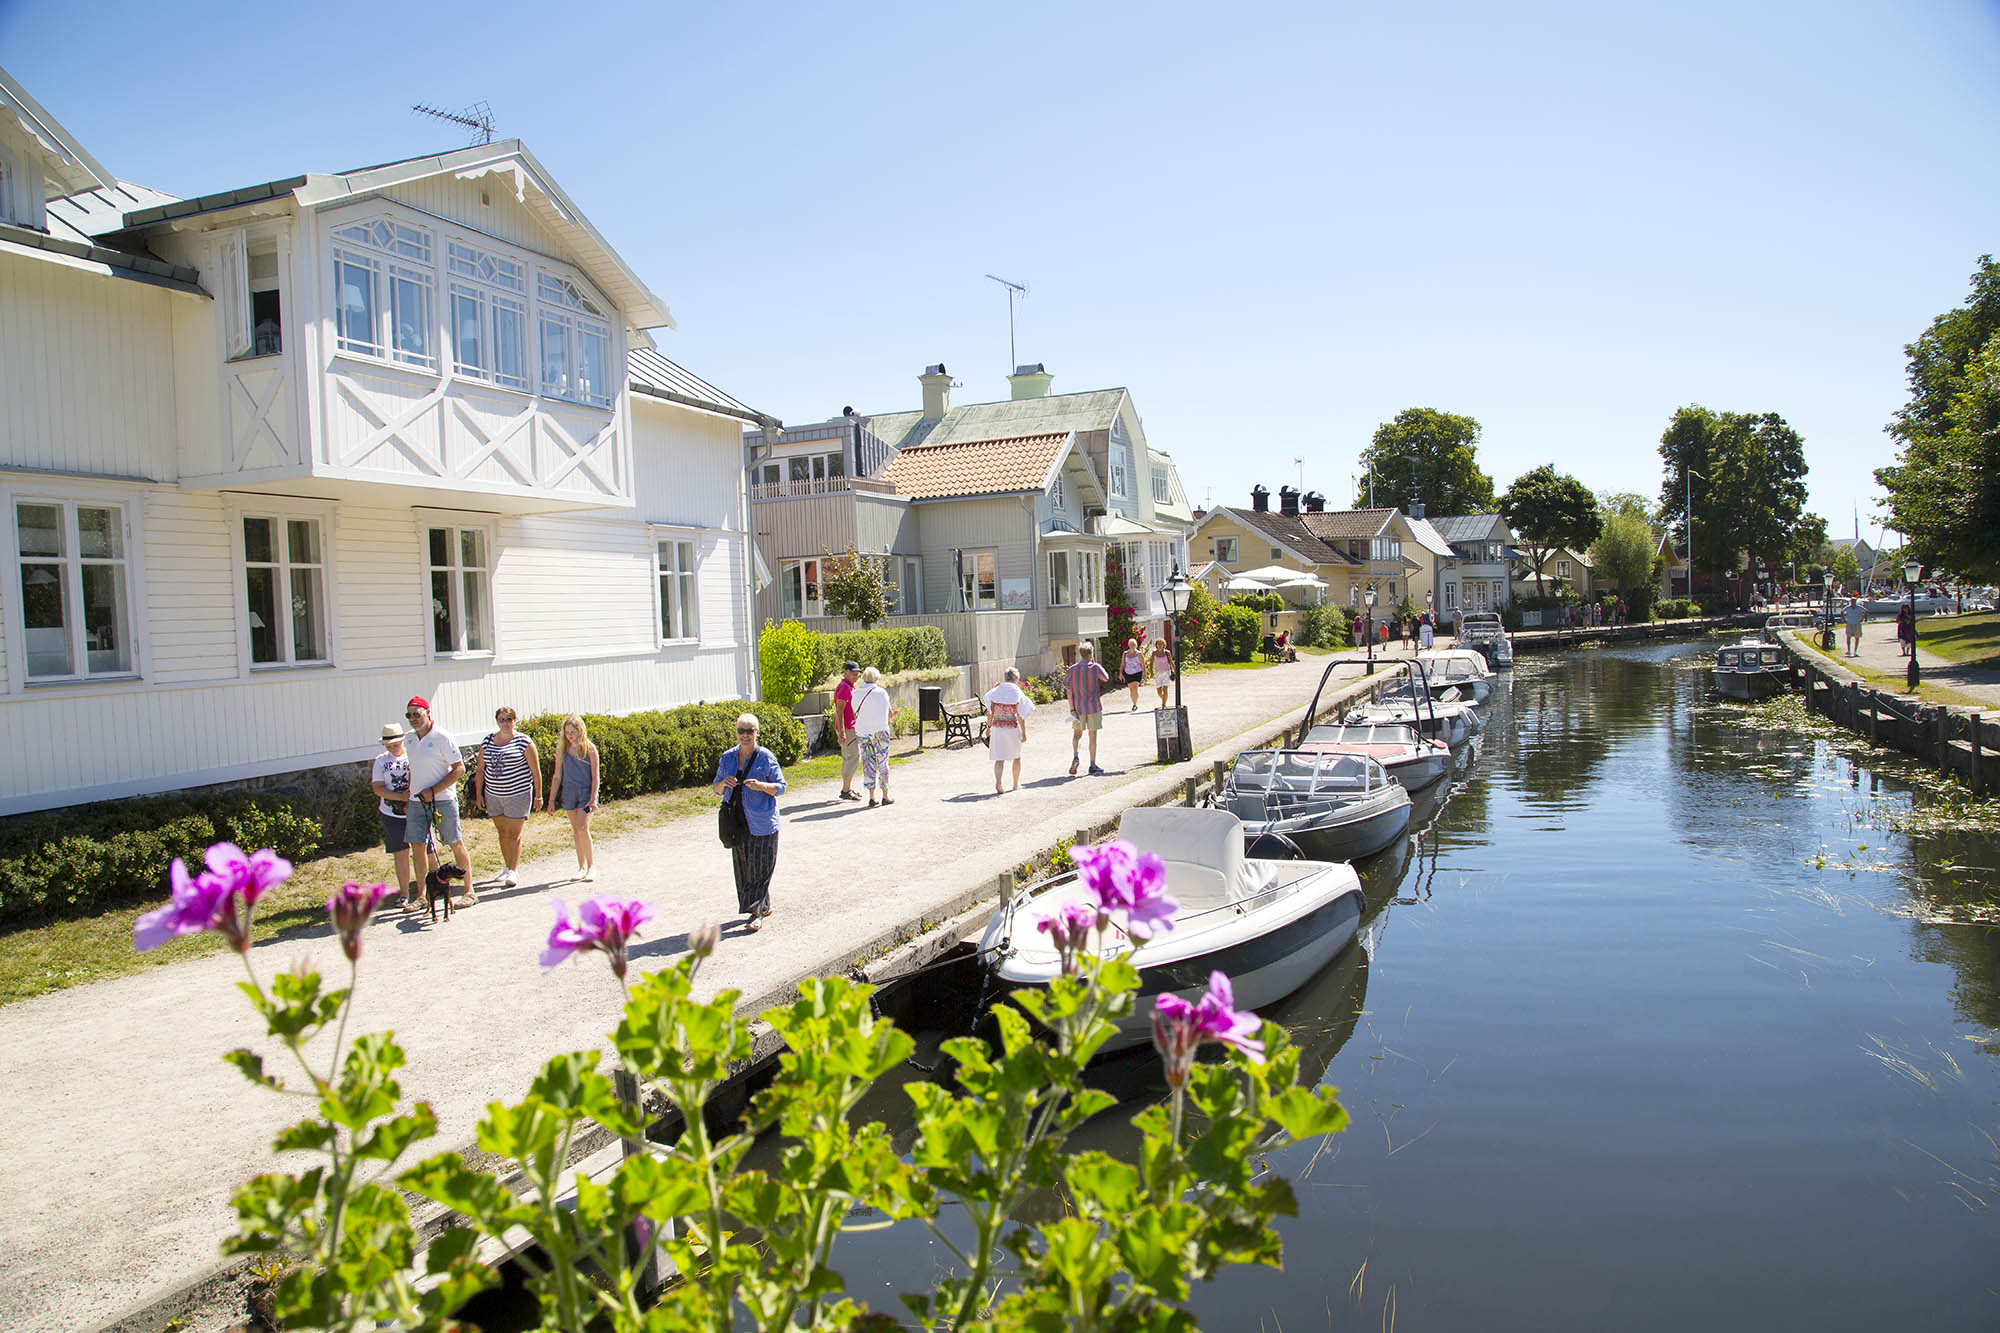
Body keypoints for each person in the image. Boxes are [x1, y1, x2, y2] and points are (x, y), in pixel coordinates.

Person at [713, 712, 785, 929]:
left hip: (762, 821)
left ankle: (756, 915)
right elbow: (716, 788)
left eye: (749, 731)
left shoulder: (766, 757)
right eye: (741, 731)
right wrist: (724, 784)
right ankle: (763, 906)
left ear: (757, 732)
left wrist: (762, 786)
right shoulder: (727, 757)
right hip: (736, 820)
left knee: (761, 867)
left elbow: (781, 787)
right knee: (744, 868)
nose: (744, 735)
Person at [403, 697, 473, 908]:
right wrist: (410, 791)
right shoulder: (409, 739)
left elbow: (459, 769)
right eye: (409, 715)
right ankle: (422, 896)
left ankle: (469, 891)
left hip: (442, 800)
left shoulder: (442, 737)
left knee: (455, 843)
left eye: (417, 714)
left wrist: (433, 790)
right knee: (417, 847)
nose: (413, 719)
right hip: (417, 801)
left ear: (427, 713)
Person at [474, 706, 540, 888]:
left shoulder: (523, 742)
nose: (505, 723)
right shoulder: (487, 741)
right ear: (497, 721)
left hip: (517, 794)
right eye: (501, 720)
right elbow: (480, 770)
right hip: (494, 794)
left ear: (515, 721)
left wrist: (539, 796)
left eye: (508, 719)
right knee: (502, 832)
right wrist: (478, 794)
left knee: (514, 833)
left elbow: (535, 771)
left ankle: (514, 870)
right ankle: (507, 866)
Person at [546, 714, 600, 882]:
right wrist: (551, 800)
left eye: (573, 732)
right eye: (567, 732)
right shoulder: (562, 750)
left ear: (580, 731)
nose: (570, 735)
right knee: (576, 830)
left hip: (586, 792)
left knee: (583, 827)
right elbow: (557, 776)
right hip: (569, 792)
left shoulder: (590, 749)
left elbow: (595, 776)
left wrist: (592, 798)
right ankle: (581, 867)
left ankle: (591, 867)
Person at [370, 723, 415, 903]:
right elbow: (378, 788)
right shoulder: (381, 760)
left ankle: (427, 888)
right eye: (389, 745)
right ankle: (404, 893)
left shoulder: (413, 755)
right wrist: (400, 797)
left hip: (416, 810)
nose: (393, 748)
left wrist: (410, 798)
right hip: (391, 812)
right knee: (401, 852)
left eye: (396, 744)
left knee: (426, 850)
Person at [983, 667, 1035, 793]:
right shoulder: (1017, 692)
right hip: (1012, 727)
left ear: (1005, 678)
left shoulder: (995, 691)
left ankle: (999, 783)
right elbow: (1021, 716)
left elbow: (990, 713)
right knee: (1016, 757)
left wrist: (988, 728)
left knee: (999, 758)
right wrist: (1024, 733)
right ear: (1017, 679)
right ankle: (1016, 784)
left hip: (997, 727)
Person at [1065, 643, 1111, 776]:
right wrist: (1095, 663)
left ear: (1080, 654)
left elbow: (1068, 690)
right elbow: (1106, 678)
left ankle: (1075, 756)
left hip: (1077, 708)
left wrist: (1071, 708)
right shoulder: (1095, 667)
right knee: (1093, 736)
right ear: (1091, 653)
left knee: (1077, 735)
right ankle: (1092, 764)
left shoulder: (1072, 669)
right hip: (1093, 706)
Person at [852, 666, 894, 807]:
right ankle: (885, 795)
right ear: (876, 678)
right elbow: (889, 713)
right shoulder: (882, 693)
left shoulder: (856, 693)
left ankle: (871, 796)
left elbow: (854, 711)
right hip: (880, 730)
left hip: (863, 732)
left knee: (868, 762)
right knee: (883, 763)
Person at [832, 661, 862, 802]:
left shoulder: (848, 686)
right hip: (848, 728)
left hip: (849, 727)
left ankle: (847, 788)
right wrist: (842, 732)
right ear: (846, 672)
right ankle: (846, 790)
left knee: (849, 758)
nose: (856, 675)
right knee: (853, 758)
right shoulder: (844, 687)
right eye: (853, 673)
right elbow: (839, 710)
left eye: (857, 673)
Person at [1121, 638, 1145, 711]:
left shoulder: (1139, 654)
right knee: (1131, 690)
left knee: (1135, 688)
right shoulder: (1125, 653)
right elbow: (1122, 664)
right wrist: (1120, 673)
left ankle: (1135, 704)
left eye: (1133, 644)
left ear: (1136, 645)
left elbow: (1143, 665)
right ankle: (1134, 702)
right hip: (1128, 673)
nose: (1132, 646)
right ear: (1129, 645)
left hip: (1137, 672)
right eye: (1131, 644)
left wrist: (1145, 674)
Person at [1150, 637, 1175, 706]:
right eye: (1158, 644)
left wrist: (1175, 671)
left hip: (1166, 672)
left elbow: (1171, 662)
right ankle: (1164, 699)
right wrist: (1151, 672)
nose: (1160, 646)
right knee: (1159, 691)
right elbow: (1151, 663)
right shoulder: (1154, 653)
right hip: (1158, 673)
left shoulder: (1167, 653)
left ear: (1164, 645)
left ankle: (1163, 704)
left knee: (1165, 689)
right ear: (1156, 645)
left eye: (1161, 644)